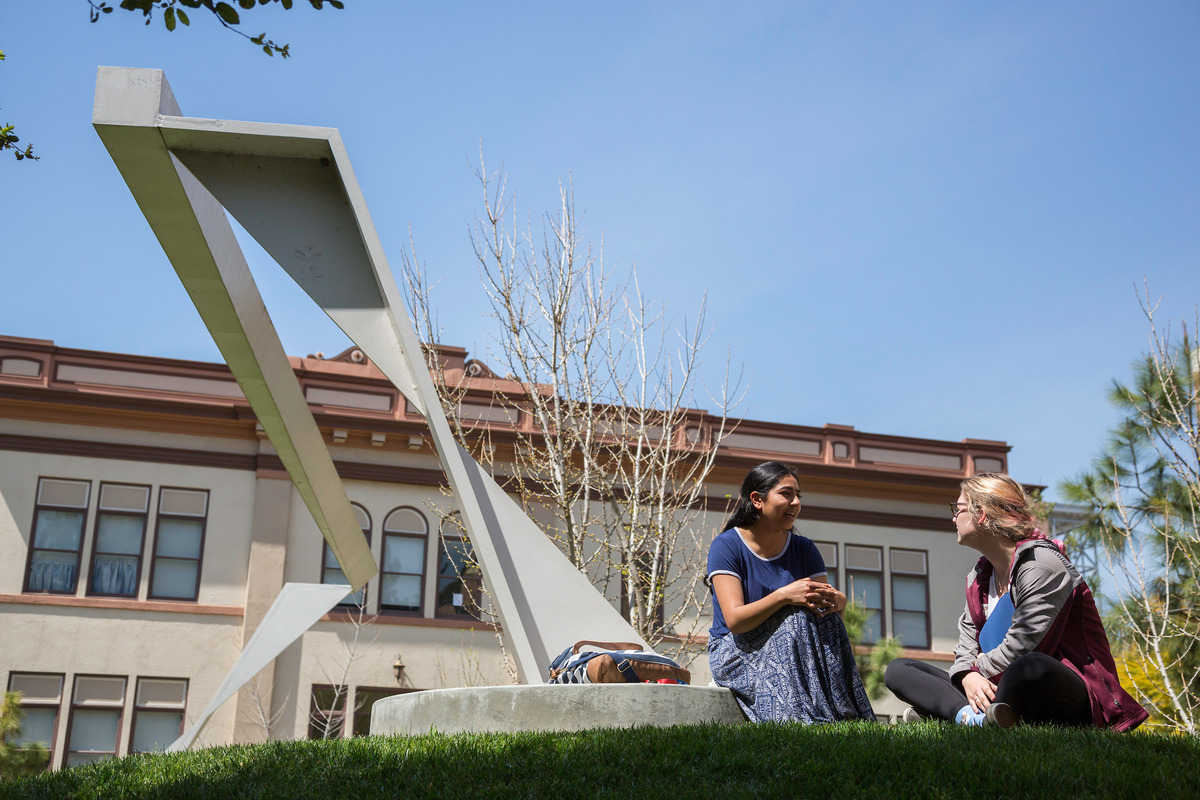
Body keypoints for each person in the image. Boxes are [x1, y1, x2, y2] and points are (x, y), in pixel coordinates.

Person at [885, 472, 1147, 730]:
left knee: (1028, 667)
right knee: (899, 669)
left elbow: (1023, 646)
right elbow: (965, 645)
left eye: (959, 508)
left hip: (1059, 688)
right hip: (996, 683)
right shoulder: (977, 578)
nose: (954, 516)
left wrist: (975, 673)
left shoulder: (1042, 563)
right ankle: (974, 717)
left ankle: (951, 713)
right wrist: (966, 675)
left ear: (982, 514)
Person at [706, 461, 876, 723]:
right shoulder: (727, 546)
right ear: (757, 499)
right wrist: (784, 596)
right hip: (734, 650)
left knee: (817, 618)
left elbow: (825, 619)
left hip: (799, 648)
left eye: (798, 495)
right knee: (795, 617)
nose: (796, 502)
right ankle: (803, 719)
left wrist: (838, 603)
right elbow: (735, 621)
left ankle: (848, 717)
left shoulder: (805, 549)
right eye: (786, 494)